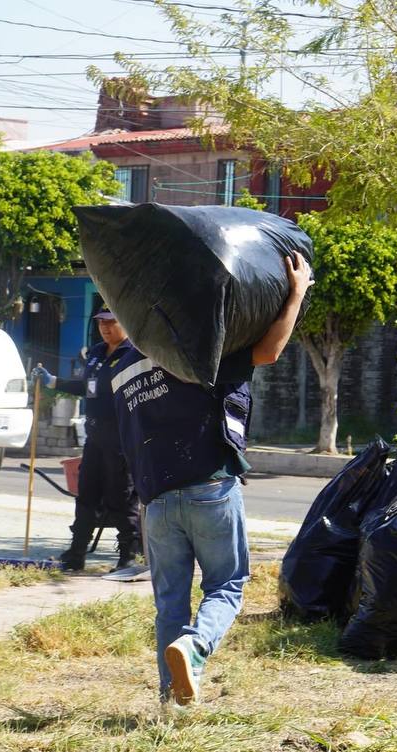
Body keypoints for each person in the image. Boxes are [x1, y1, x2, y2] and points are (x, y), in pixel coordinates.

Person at [110, 252, 312, 706]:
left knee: (170, 601)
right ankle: (195, 648)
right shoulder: (201, 339)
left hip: (155, 499)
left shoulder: (120, 364)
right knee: (227, 583)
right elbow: (270, 351)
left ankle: (172, 700)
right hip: (210, 486)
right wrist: (296, 292)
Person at [33, 309, 142, 574]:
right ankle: (76, 553)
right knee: (87, 496)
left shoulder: (135, 355)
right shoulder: (95, 353)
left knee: (122, 498)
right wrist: (54, 381)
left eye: (111, 322)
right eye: (101, 323)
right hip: (94, 438)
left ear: (125, 322)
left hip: (121, 439)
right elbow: (87, 386)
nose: (105, 328)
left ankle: (129, 555)